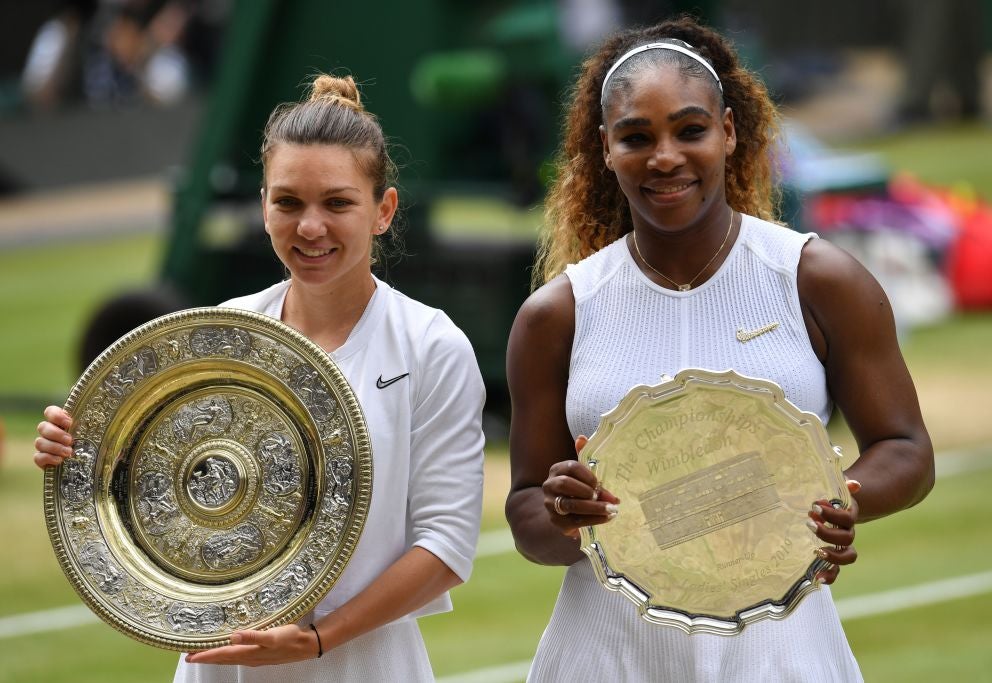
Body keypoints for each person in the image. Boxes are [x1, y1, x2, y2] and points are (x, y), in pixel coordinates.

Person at [505, 14, 934, 682]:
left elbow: (907, 449)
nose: (666, 156)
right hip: (606, 660)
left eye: (691, 129)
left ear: (729, 132)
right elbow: (528, 510)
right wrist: (563, 514)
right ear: (606, 148)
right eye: (637, 137)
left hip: (784, 659)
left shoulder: (819, 279)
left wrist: (839, 497)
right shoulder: (554, 315)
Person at [34, 73, 486, 681]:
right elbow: (158, 490)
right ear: (264, 205)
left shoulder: (432, 347)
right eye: (288, 202)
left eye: (338, 202)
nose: (310, 227)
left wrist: (319, 638)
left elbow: (447, 545)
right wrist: (81, 452)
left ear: (384, 211)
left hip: (365, 667)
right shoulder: (217, 334)